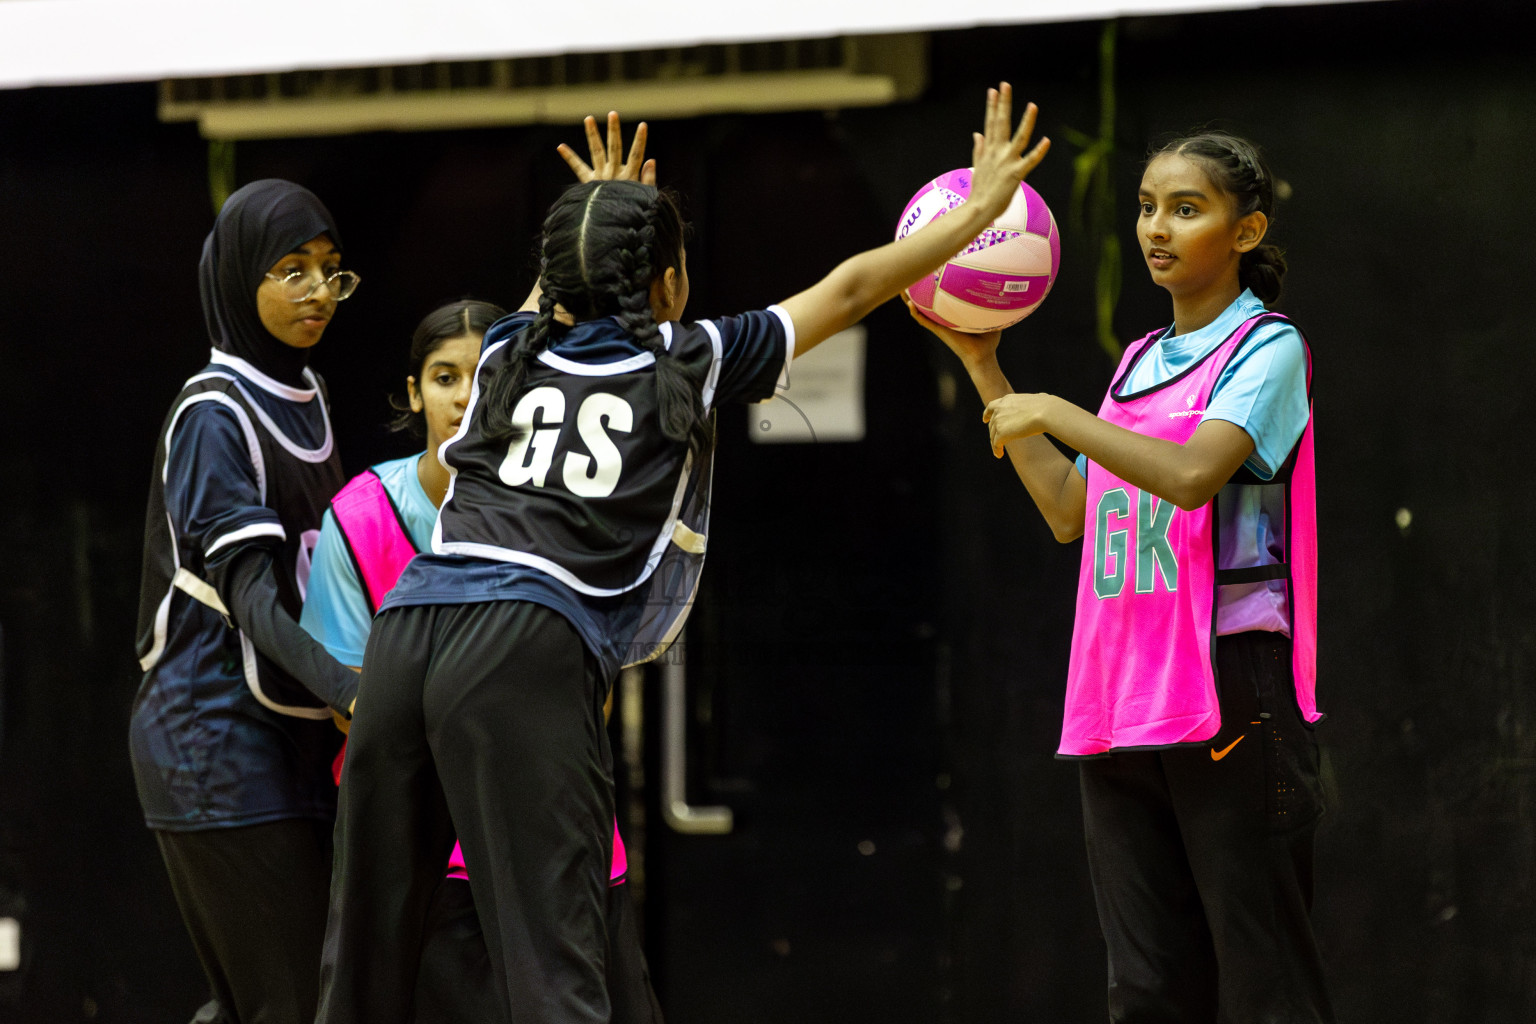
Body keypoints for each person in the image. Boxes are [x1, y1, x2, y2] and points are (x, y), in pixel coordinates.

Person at [315, 89, 1050, 1024]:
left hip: (408, 626)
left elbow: (554, 288)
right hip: (521, 639)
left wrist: (596, 219)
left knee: (366, 947)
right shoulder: (687, 356)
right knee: (553, 953)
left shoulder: (504, 350)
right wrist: (975, 215)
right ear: (665, 283)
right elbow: (850, 289)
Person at [912, 132, 1330, 1022]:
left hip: (1230, 685)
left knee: (1265, 985)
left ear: (1247, 230)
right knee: (1145, 990)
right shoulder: (1138, 362)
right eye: (1146, 208)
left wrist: (1057, 412)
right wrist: (984, 365)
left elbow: (1191, 477)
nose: (1156, 228)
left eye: (1186, 209)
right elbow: (1070, 510)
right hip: (1122, 694)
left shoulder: (1268, 349)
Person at [299, 297, 663, 1023]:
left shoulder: (566, 499)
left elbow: (593, 690)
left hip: (557, 835)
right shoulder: (363, 515)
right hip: (435, 863)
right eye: (445, 377)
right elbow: (349, 703)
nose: (467, 396)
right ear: (414, 393)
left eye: (485, 375)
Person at [130, 179, 363, 1024]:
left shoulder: (311, 396)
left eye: (331, 269)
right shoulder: (213, 414)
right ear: (237, 275)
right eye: (291, 269)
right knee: (291, 1002)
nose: (317, 290)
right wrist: (355, 692)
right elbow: (255, 604)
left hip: (293, 738)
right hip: (215, 744)